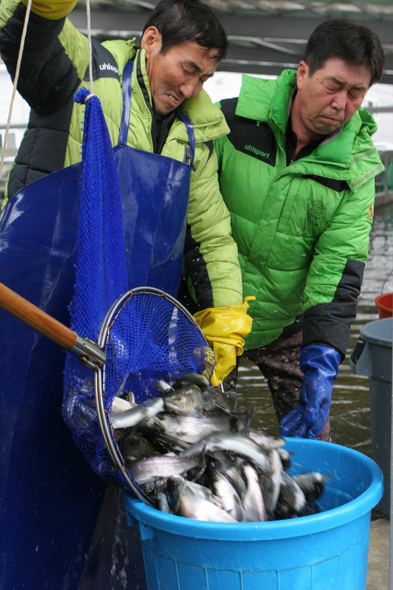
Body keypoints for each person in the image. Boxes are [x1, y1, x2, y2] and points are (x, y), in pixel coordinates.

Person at [0, 0, 252, 384]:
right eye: (188, 69)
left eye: (204, 79)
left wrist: (225, 324)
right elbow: (24, 35)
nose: (190, 88)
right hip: (37, 291)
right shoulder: (88, 68)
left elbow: (211, 237)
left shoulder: (196, 135)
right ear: (151, 39)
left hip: (123, 321)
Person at [212, 19, 385, 440]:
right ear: (303, 72)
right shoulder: (230, 123)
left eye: (355, 93)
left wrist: (323, 359)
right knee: (199, 438)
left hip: (288, 326)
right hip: (212, 313)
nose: (341, 103)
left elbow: (336, 273)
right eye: (333, 85)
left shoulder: (356, 172)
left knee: (314, 442)